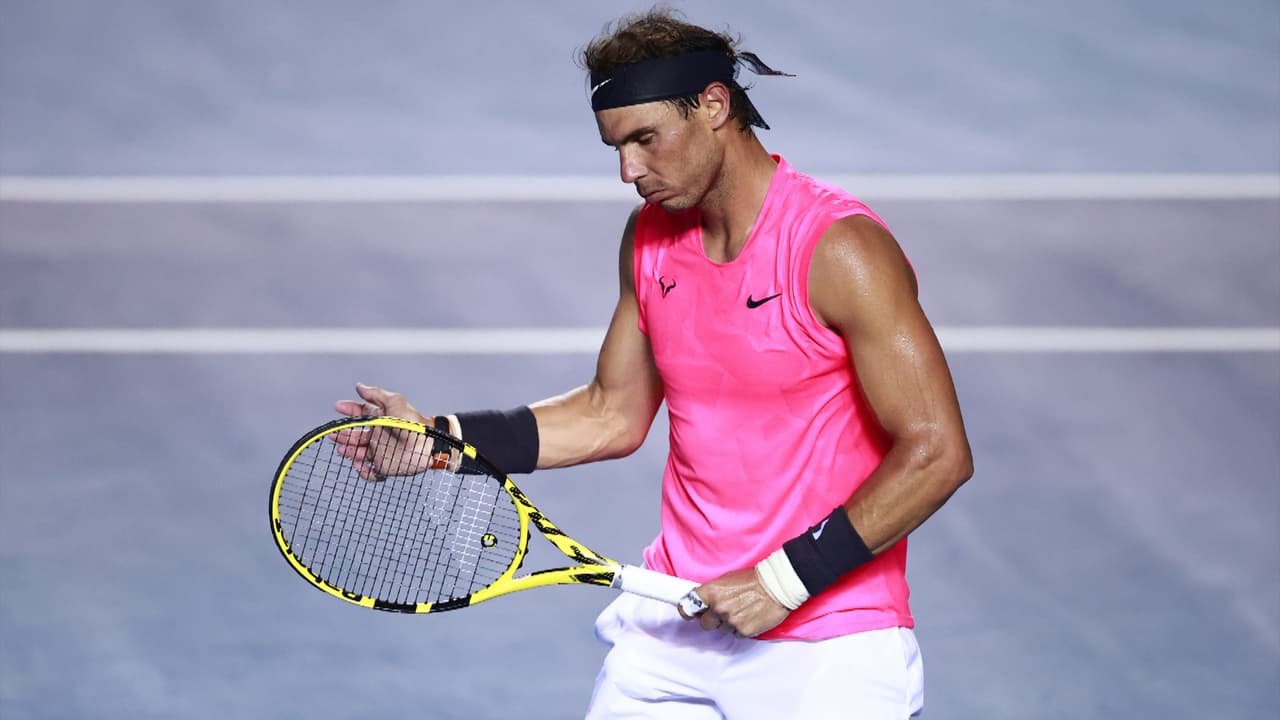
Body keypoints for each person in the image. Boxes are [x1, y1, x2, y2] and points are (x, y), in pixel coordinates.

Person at [334, 8, 972, 719]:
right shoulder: (650, 237)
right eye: (616, 146)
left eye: (645, 139)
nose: (628, 171)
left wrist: (782, 582)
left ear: (714, 106)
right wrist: (441, 439)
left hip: (827, 644)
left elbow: (937, 451)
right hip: (675, 619)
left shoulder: (838, 249)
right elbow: (612, 412)